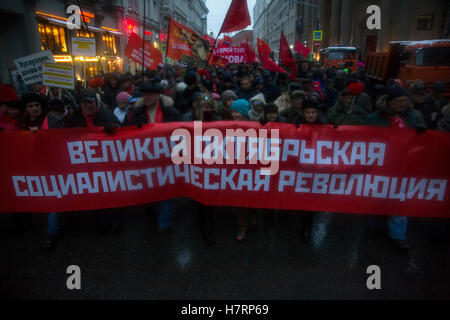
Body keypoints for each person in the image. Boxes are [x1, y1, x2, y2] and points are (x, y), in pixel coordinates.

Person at [364, 85, 427, 251]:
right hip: (380, 165)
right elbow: (363, 140)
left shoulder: (414, 118)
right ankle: (372, 225)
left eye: (406, 101)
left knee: (399, 201)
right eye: (400, 101)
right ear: (390, 101)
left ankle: (397, 235)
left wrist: (422, 132)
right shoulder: (374, 119)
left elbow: (425, 141)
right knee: (375, 196)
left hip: (403, 167)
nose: (403, 104)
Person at [131, 81, 181, 234]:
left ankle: (163, 222)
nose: (146, 97)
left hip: (165, 158)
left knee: (165, 191)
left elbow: (180, 131)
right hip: (145, 157)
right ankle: (152, 212)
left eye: (150, 94)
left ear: (158, 95)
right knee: (150, 189)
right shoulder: (136, 112)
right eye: (144, 94)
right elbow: (128, 131)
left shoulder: (170, 111)